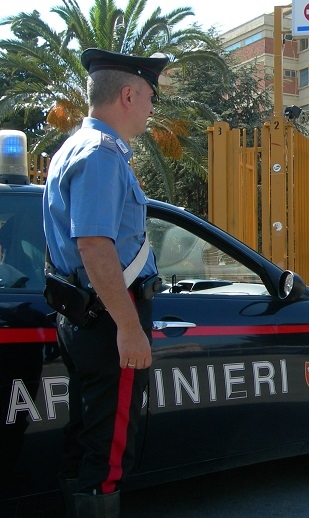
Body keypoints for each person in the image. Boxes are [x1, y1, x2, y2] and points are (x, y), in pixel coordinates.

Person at [43, 48, 169, 517]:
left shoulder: (75, 147)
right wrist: (129, 327)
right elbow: (94, 246)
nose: (153, 108)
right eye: (151, 97)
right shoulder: (100, 154)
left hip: (85, 315)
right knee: (110, 446)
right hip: (108, 319)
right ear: (129, 94)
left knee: (87, 434)